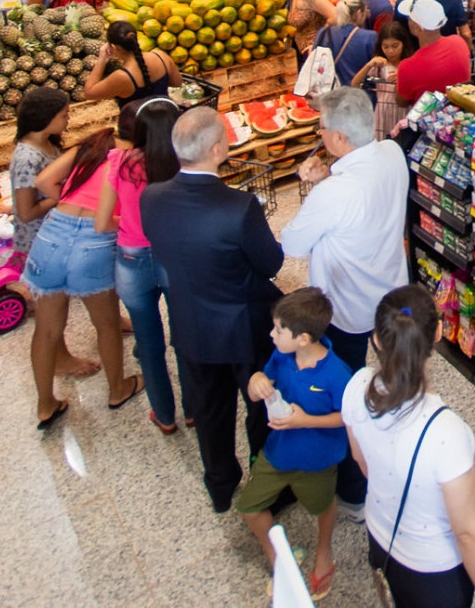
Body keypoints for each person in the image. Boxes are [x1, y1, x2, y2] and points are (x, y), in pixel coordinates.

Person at [142, 107, 284, 512]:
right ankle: (266, 483)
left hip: (191, 323)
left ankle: (220, 486)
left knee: (210, 411)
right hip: (245, 327)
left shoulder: (151, 198)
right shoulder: (239, 207)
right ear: (218, 149)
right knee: (259, 407)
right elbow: (270, 263)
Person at [283, 87, 409, 512]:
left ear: (337, 137)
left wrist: (314, 187)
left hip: (347, 309)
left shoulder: (333, 193)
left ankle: (354, 491)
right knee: (392, 375)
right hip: (391, 291)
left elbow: (293, 244)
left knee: (349, 396)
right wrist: (328, 178)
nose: (319, 135)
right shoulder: (392, 153)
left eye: (321, 128)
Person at [343, 285, 475, 608]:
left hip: (380, 537)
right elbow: (467, 533)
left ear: (376, 338)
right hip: (434, 572)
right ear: (438, 333)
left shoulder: (357, 386)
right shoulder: (447, 433)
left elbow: (361, 461)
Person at [17, 118, 139, 430]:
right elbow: (129, 214)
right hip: (94, 240)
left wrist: (70, 200)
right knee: (107, 324)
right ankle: (118, 388)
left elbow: (44, 181)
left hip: (52, 233)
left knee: (46, 329)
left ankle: (45, 404)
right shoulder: (136, 160)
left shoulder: (94, 143)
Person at [236, 288, 353, 598]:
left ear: (303, 338)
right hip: (277, 453)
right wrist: (256, 381)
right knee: (249, 508)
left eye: (278, 330)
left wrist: (306, 421)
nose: (271, 334)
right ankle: (279, 559)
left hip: (317, 460)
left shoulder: (337, 375)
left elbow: (347, 417)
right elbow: (261, 386)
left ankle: (324, 551)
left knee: (322, 506)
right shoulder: (281, 356)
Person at [107, 98, 185, 435]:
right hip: (173, 255)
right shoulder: (182, 164)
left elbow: (102, 221)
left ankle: (165, 416)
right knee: (183, 335)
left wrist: (129, 225)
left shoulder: (119, 163)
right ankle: (194, 409)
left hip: (131, 259)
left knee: (149, 343)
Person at [84, 19, 178, 107]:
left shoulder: (122, 76)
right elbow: (177, 82)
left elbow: (89, 93)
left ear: (114, 47)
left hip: (136, 119)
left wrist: (101, 60)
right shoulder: (161, 56)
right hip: (167, 114)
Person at [396, 0, 471, 104]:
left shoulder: (407, 67)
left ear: (418, 27)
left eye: (409, 18)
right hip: (462, 106)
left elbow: (401, 102)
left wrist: (397, 83)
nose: (408, 21)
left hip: (427, 113)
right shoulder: (459, 42)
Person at [353, 19, 415, 139]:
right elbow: (355, 83)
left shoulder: (409, 64)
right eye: (385, 46)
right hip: (382, 114)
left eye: (395, 46)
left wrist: (403, 77)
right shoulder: (379, 65)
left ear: (403, 44)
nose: (390, 51)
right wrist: (369, 65)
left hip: (403, 113)